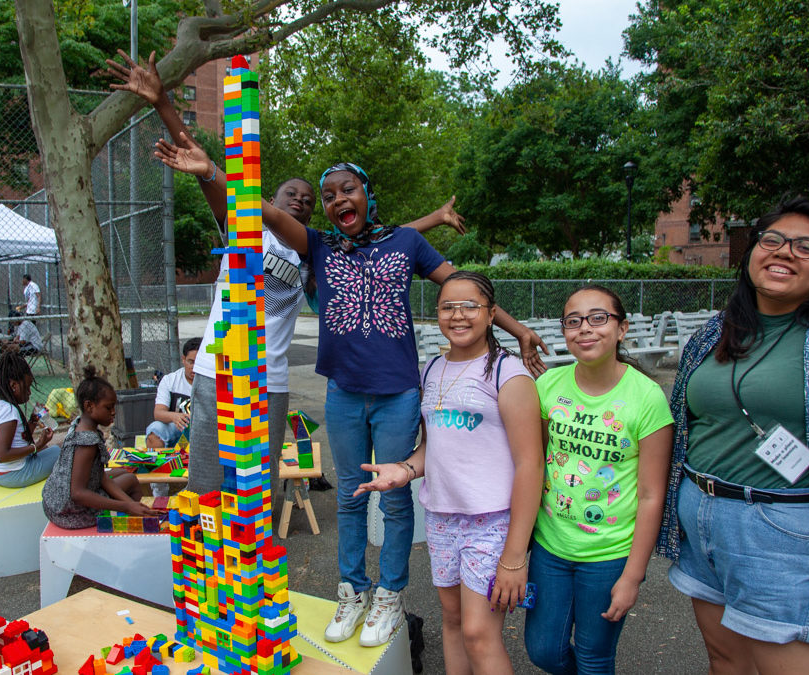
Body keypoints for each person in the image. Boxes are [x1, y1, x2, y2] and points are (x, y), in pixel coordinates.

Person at [157, 133, 551, 646]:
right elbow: (263, 215)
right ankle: (352, 591)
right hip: (343, 394)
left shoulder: (405, 242)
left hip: (398, 393)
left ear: (366, 193)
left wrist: (518, 329)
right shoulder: (318, 245)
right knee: (346, 495)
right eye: (329, 195)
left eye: (348, 190)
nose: (339, 199)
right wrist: (212, 173)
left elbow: (464, 287)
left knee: (392, 500)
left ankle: (389, 596)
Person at [105, 49, 469, 502]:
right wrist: (162, 103)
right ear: (270, 200)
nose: (300, 200)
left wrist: (433, 218)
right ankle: (206, 563)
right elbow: (204, 168)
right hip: (218, 369)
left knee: (256, 490)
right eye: (290, 195)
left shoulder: (312, 249)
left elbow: (385, 240)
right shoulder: (248, 225)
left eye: (308, 200)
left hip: (269, 378)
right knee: (206, 481)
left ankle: (252, 562)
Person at [657, 197, 809, 675]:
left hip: (781, 529)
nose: (783, 251)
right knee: (724, 661)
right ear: (751, 254)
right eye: (771, 240)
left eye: (804, 247)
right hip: (702, 515)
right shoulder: (715, 333)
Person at [354, 271, 542, 673]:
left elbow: (531, 464)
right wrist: (404, 470)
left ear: (491, 314)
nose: (458, 315)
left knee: (479, 632)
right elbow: (433, 446)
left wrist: (514, 557)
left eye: (470, 306)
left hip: (491, 521)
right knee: (453, 624)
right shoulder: (432, 369)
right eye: (447, 307)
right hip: (442, 518)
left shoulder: (507, 372)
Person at [527, 285, 673, 675]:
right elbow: (535, 464)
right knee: (543, 651)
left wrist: (633, 575)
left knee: (594, 657)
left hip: (610, 555)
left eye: (598, 318)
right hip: (551, 547)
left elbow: (650, 494)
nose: (585, 329)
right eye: (573, 322)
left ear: (621, 329)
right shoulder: (547, 387)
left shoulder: (648, 398)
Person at [42, 366, 159, 529]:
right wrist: (126, 506)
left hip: (55, 501)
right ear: (89, 406)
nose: (113, 412)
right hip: (70, 512)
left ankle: (138, 512)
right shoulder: (87, 442)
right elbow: (77, 494)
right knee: (131, 480)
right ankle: (140, 526)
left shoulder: (79, 426)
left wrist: (129, 504)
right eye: (108, 407)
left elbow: (100, 477)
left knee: (125, 472)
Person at [0, 352, 62, 488]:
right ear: (13, 385)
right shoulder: (9, 412)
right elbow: (1, 455)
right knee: (61, 452)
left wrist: (33, 421)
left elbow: (20, 438)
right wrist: (37, 445)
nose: (29, 392)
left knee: (46, 450)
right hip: (12, 474)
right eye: (28, 387)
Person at [146, 337, 201, 448]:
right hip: (177, 428)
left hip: (203, 430)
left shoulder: (213, 381)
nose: (194, 367)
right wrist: (174, 417)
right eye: (191, 362)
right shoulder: (170, 380)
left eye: (199, 363)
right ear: (183, 359)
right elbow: (158, 413)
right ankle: (158, 465)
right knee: (155, 430)